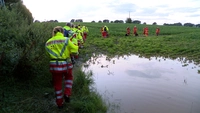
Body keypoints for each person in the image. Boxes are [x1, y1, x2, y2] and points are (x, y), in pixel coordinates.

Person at [45, 26, 79, 109]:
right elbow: (75, 51)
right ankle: (67, 94)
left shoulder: (48, 42)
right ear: (62, 32)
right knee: (69, 78)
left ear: (54, 32)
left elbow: (48, 55)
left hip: (54, 66)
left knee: (57, 84)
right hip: (65, 64)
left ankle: (59, 104)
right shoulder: (66, 40)